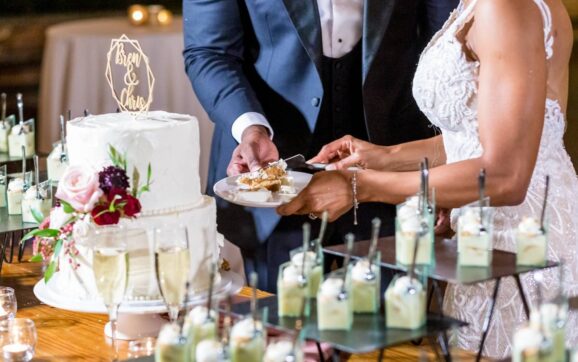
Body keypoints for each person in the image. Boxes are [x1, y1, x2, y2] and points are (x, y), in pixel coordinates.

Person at [278, 0, 577, 357]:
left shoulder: (506, 7)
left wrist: (363, 186)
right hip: (482, 240)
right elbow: (474, 137)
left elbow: (506, 175)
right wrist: (384, 157)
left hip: (522, 248)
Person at [183, 0, 459, 291]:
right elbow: (209, 51)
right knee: (281, 327)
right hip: (275, 180)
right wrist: (251, 127)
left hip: (394, 168)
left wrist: (442, 163)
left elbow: (446, 40)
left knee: (398, 320)